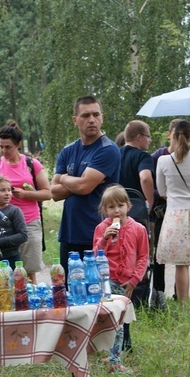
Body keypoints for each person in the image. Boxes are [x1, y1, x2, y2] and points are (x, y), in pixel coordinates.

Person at [51, 96, 121, 274]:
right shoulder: (68, 151)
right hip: (70, 232)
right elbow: (54, 192)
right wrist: (78, 179)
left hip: (98, 233)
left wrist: (65, 178)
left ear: (102, 118)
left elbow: (84, 187)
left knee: (96, 290)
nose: (91, 120)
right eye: (85, 115)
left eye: (96, 114)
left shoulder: (108, 149)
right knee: (69, 289)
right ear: (75, 120)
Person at [93, 185, 149, 373]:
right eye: (111, 207)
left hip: (126, 284)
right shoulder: (102, 228)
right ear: (104, 210)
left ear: (128, 205)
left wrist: (134, 280)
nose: (116, 210)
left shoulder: (138, 229)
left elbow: (143, 257)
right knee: (111, 322)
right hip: (106, 282)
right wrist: (104, 239)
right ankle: (112, 360)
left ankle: (114, 358)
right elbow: (95, 256)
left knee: (119, 323)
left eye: (120, 205)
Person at [155, 120, 190, 306]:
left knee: (181, 263)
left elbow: (161, 191)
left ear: (172, 135)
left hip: (175, 211)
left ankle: (183, 305)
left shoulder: (163, 160)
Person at [0, 122, 51, 283]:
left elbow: (48, 193)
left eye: (8, 147)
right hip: (3, 223)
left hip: (29, 221)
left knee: (29, 269)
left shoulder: (32, 164)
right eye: (1, 147)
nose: (4, 151)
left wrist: (26, 194)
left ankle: (31, 301)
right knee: (5, 271)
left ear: (18, 145)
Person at [149, 119, 181, 307]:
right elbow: (150, 186)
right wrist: (166, 194)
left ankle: (180, 294)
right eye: (175, 134)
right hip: (162, 211)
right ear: (169, 134)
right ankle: (158, 296)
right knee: (159, 255)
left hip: (183, 212)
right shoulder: (158, 156)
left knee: (184, 256)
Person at [118, 120, 154, 214]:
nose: (150, 140)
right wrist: (149, 203)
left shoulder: (114, 154)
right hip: (136, 208)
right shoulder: (143, 156)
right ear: (139, 137)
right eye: (148, 136)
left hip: (115, 206)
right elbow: (145, 178)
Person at [0, 175, 28, 264]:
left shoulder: (14, 211)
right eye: (2, 190)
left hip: (12, 257)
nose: (7, 193)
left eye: (9, 190)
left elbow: (23, 235)